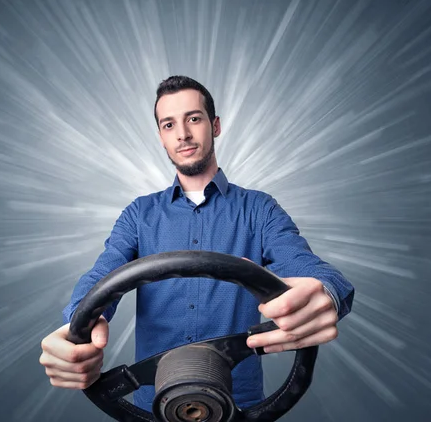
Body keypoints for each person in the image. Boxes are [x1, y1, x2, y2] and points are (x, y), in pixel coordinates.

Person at [39, 75, 355, 412]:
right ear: (161, 137)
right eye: (169, 124)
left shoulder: (259, 209)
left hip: (241, 407)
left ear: (214, 125)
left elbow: (311, 271)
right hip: (151, 409)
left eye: (193, 118)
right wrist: (78, 325)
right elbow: (102, 275)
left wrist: (325, 294)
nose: (183, 134)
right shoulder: (138, 215)